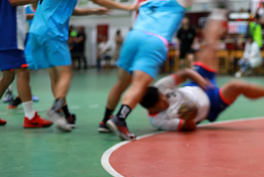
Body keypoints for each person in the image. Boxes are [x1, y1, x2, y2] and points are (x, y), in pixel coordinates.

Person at [138, 18, 264, 134]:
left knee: (209, 47)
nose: (165, 100)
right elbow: (190, 128)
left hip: (196, 86)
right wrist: (190, 115)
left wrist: (200, 79)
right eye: (162, 102)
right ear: (152, 108)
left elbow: (185, 73)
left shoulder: (159, 87)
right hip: (210, 103)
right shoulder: (161, 121)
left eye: (163, 97)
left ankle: (218, 12)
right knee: (237, 86)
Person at [29, 0, 137, 132]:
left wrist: (93, 11)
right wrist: (127, 7)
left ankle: (65, 115)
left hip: (35, 32)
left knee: (55, 77)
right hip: (52, 32)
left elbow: (69, 10)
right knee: (66, 73)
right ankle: (56, 109)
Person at [100, 0, 194, 139]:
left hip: (133, 36)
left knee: (121, 83)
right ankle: (119, 118)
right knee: (139, 84)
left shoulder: (143, 1)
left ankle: (104, 121)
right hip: (154, 40)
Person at [0, 0, 53, 128]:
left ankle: (30, 115)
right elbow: (13, 2)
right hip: (9, 36)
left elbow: (12, 11)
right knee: (22, 72)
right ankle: (30, 117)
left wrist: (34, 16)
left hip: (6, 34)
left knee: (8, 76)